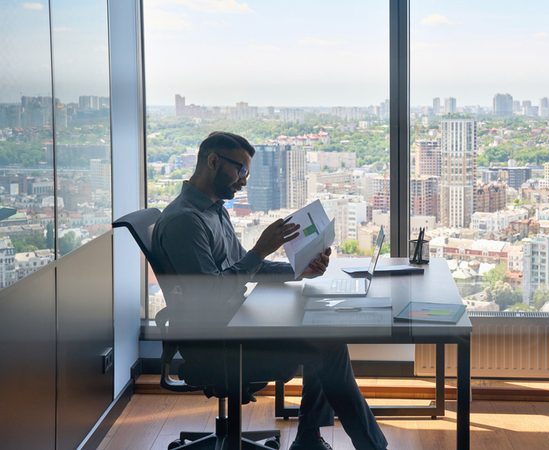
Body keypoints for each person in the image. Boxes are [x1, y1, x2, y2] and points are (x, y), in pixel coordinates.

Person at [151, 131, 387, 450]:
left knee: (324, 333)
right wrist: (260, 250)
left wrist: (296, 271)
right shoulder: (185, 223)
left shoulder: (213, 209)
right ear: (213, 161)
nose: (244, 181)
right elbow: (210, 295)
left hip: (236, 322)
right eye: (240, 170)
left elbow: (243, 268)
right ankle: (365, 446)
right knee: (327, 345)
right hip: (216, 344)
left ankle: (309, 439)